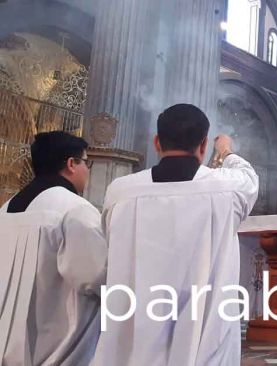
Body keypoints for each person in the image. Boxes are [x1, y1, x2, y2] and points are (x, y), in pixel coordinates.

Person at [93, 104, 259, 366]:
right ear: (203, 145)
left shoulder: (120, 193)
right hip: (203, 347)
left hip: (133, 338)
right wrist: (226, 151)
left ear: (157, 142)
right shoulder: (228, 190)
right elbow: (249, 176)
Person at [0, 131, 106, 365]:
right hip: (57, 354)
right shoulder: (74, 210)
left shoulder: (7, 208)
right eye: (86, 162)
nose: (88, 170)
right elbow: (101, 278)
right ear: (71, 164)